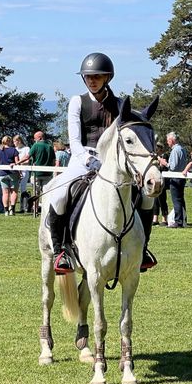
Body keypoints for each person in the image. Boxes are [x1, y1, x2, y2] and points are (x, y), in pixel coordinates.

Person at [45, 52, 157, 274]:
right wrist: (89, 161)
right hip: (82, 158)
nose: (92, 80)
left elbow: (132, 130)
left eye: (97, 76)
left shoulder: (119, 105)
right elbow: (75, 142)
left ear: (107, 78)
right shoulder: (77, 102)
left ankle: (142, 250)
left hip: (112, 162)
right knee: (58, 195)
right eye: (88, 76)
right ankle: (61, 252)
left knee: (145, 198)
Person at [16, 131, 55, 205]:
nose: (34, 140)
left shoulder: (35, 145)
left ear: (40, 138)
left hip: (37, 174)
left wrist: (17, 163)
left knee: (36, 192)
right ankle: (45, 207)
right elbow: (53, 161)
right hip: (48, 174)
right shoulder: (50, 147)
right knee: (46, 192)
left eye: (35, 138)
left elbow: (27, 157)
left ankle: (35, 208)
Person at [161, 131, 187, 228]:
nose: (167, 142)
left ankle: (178, 221)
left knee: (176, 200)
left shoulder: (175, 150)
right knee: (181, 199)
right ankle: (183, 219)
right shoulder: (182, 149)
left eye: (168, 140)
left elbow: (173, 166)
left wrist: (164, 163)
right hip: (181, 177)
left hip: (176, 178)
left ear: (171, 140)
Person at [0, 136, 20, 216]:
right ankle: (12, 209)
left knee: (5, 193)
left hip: (2, 174)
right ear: (10, 141)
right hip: (13, 173)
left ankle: (6, 211)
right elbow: (17, 162)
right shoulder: (14, 150)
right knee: (14, 192)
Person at [152, 141, 169, 226]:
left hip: (163, 180)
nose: (156, 149)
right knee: (155, 200)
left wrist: (158, 160)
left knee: (162, 200)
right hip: (155, 180)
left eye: (158, 147)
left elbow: (163, 166)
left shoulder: (164, 156)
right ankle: (155, 218)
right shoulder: (154, 157)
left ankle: (164, 218)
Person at [13, 135, 31, 212]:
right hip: (16, 171)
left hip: (24, 170)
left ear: (19, 141)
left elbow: (28, 161)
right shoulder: (14, 149)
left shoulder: (26, 149)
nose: (14, 143)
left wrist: (19, 163)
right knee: (15, 188)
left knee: (23, 188)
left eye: (15, 141)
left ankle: (24, 207)